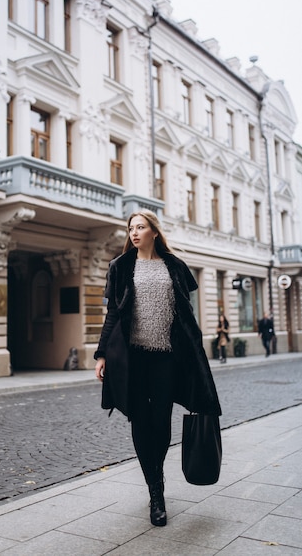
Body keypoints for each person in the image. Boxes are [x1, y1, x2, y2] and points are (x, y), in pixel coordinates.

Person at [94, 210, 221, 527]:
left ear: (154, 231)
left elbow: (186, 315)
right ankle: (156, 492)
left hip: (167, 357)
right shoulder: (121, 267)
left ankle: (157, 474)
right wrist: (101, 354)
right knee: (139, 420)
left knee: (161, 421)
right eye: (131, 228)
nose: (134, 232)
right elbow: (112, 315)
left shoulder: (174, 266)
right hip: (133, 359)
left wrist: (196, 352)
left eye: (140, 227)